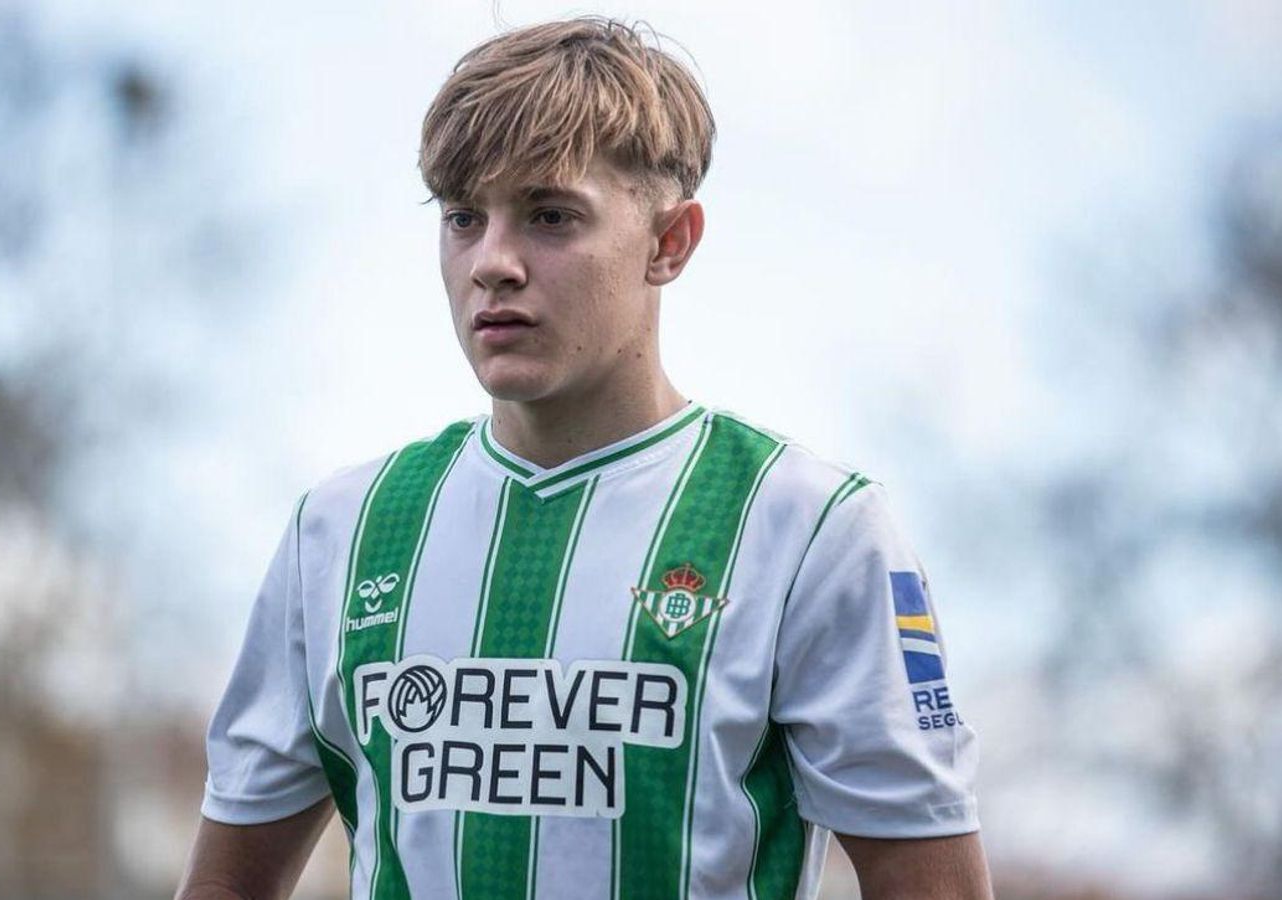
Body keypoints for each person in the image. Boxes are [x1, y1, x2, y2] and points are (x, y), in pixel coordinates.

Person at [176, 16, 990, 900]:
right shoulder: (340, 530)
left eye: (551, 215)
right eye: (462, 218)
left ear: (670, 242)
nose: (493, 262)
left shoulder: (813, 530)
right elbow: (226, 884)